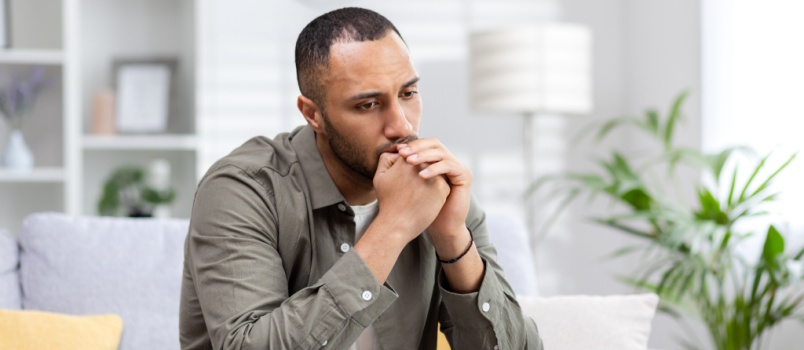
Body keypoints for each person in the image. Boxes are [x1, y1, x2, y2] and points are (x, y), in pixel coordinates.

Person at [179, 7, 543, 350]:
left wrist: (452, 239)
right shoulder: (243, 189)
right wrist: (394, 226)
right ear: (313, 114)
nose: (401, 124)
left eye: (409, 93)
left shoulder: (437, 186)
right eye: (368, 105)